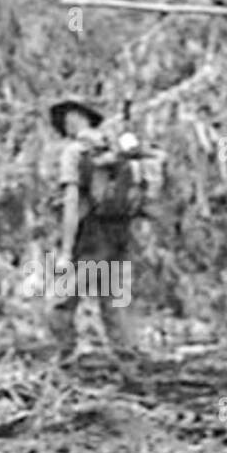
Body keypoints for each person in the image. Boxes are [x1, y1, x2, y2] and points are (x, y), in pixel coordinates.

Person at [46, 98, 164, 362]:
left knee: (61, 300)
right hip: (119, 234)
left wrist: (65, 251)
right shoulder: (119, 149)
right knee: (113, 299)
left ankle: (64, 357)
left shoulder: (76, 152)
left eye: (67, 120)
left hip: (90, 236)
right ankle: (128, 359)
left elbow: (72, 202)